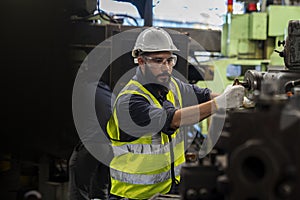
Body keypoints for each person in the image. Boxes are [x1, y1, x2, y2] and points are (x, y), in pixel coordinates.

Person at [106, 27, 244, 199]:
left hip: (169, 191)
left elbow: (202, 95)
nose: (166, 67)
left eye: (170, 60)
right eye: (158, 61)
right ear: (141, 62)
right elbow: (172, 120)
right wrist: (221, 103)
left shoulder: (173, 85)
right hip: (134, 195)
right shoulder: (130, 100)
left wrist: (237, 99)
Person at [69, 80, 114, 200]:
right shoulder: (108, 92)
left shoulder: (80, 90)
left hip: (91, 144)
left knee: (79, 190)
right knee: (100, 191)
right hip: (109, 147)